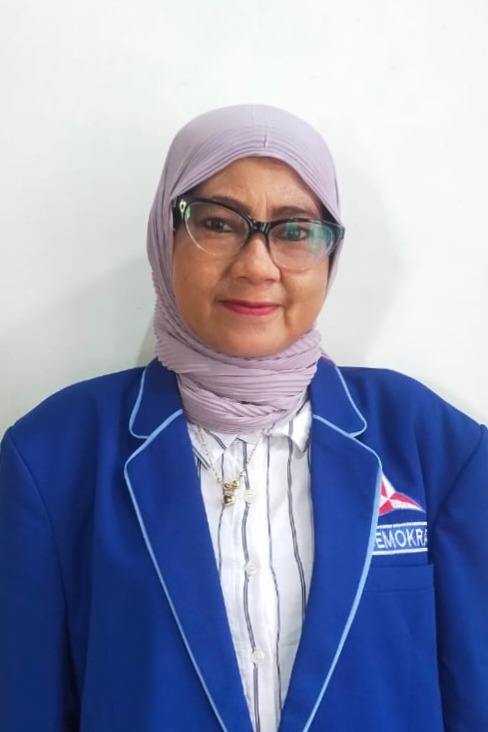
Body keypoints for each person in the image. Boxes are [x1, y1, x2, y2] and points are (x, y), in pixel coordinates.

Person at [0, 104, 486, 732]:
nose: (257, 266)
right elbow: (25, 706)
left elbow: (474, 691)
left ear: (331, 253)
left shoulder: (432, 445)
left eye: (294, 230)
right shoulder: (52, 458)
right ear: (165, 236)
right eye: (218, 223)